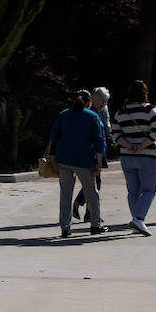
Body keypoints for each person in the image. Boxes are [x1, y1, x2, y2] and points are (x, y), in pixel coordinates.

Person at [48, 89, 107, 237]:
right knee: (91, 193)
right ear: (89, 102)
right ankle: (95, 224)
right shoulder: (92, 116)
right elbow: (98, 142)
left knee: (66, 193)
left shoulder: (64, 114)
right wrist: (99, 164)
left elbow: (53, 135)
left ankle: (65, 227)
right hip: (84, 160)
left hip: (64, 159)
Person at [109, 80, 156, 236]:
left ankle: (135, 221)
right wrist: (141, 146)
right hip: (148, 156)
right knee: (149, 190)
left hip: (127, 156)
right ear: (145, 93)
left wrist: (129, 145)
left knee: (133, 191)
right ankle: (138, 219)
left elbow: (115, 134)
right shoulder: (151, 110)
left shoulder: (121, 112)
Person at [73, 86, 111, 220]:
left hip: (97, 153)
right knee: (93, 184)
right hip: (93, 154)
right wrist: (98, 159)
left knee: (93, 183)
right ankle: (86, 210)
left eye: (106, 101)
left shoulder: (97, 113)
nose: (104, 104)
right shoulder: (91, 114)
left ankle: (87, 211)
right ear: (93, 99)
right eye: (102, 100)